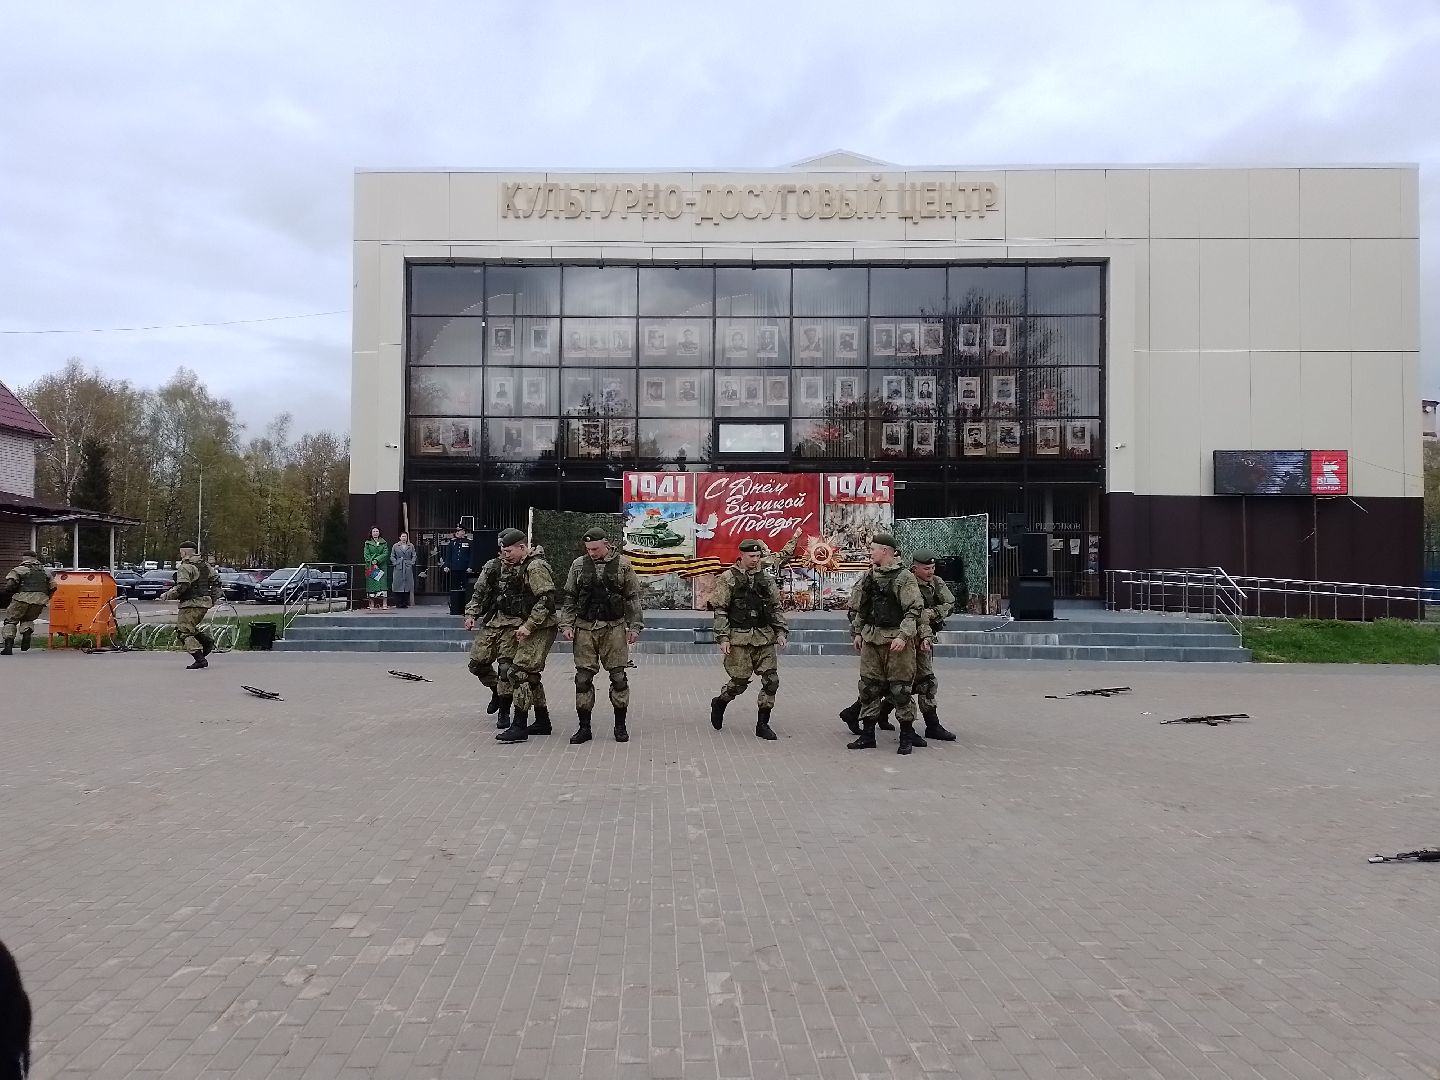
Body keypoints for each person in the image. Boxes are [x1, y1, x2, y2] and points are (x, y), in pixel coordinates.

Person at [840, 550, 957, 743]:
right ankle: (863, 714)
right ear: (914, 568)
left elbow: (949, 603)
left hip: (920, 637)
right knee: (894, 684)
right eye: (926, 568)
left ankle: (928, 725)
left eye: (933, 568)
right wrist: (859, 632)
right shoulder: (903, 581)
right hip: (902, 639)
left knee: (923, 682)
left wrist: (933, 615)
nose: (930, 572)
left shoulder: (936, 583)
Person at [464, 529, 559, 744]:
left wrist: (528, 626)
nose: (504, 555)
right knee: (528, 675)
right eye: (503, 551)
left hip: (538, 626)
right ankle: (542, 721)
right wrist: (471, 614)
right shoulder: (498, 566)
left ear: (522, 547)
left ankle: (519, 726)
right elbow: (480, 593)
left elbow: (546, 599)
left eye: (508, 551)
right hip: (525, 624)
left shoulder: (535, 567)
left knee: (518, 673)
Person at [558, 528, 643, 744]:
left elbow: (632, 598)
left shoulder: (623, 565)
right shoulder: (578, 565)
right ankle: (584, 727)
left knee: (618, 678)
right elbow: (570, 597)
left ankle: (620, 726)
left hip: (613, 628)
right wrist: (566, 624)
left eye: (595, 549)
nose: (592, 553)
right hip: (585, 628)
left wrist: (635, 626)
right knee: (583, 679)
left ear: (606, 544)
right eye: (588, 549)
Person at [845, 533, 926, 754]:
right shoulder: (869, 576)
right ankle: (867, 735)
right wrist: (857, 632)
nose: (870, 552)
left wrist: (903, 636)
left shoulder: (903, 577)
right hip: (872, 639)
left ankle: (906, 736)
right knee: (869, 687)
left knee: (900, 689)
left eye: (873, 549)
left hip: (896, 642)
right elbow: (861, 608)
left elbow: (914, 610)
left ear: (885, 551)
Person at [707, 539, 788, 741]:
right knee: (739, 682)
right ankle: (720, 702)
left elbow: (775, 607)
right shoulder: (728, 578)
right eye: (751, 556)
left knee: (771, 680)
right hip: (739, 639)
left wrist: (780, 631)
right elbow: (721, 610)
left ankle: (763, 724)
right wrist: (723, 637)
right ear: (741, 555)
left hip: (764, 637)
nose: (755, 560)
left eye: (758, 556)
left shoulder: (766, 579)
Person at [159, 541, 220, 669]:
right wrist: (213, 599)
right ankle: (206, 641)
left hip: (191, 603)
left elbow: (183, 585)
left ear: (184, 552)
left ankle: (200, 658)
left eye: (181, 552)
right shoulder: (205, 565)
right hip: (204, 602)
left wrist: (167, 595)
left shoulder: (185, 567)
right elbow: (216, 581)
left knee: (183, 631)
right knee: (188, 627)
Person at [0, 549, 56, 656]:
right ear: (35, 558)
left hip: (21, 599)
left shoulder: (19, 570)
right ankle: (27, 633)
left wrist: (11, 591)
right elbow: (53, 586)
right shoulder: (45, 571)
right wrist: (46, 598)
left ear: (24, 558)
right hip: (39, 600)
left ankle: (8, 647)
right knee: (28, 619)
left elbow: (10, 585)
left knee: (11, 621)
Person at [363, 527, 390, 610]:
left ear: (379, 532)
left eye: (377, 531)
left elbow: (385, 553)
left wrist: (377, 560)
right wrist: (372, 562)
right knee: (371, 585)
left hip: (382, 565)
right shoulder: (367, 543)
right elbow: (366, 554)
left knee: (383, 584)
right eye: (374, 531)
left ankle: (384, 604)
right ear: (371, 533)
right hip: (370, 566)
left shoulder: (383, 542)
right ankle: (371, 604)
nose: (375, 533)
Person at [390, 532, 417, 609]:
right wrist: (395, 563)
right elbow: (392, 556)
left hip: (407, 566)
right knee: (398, 584)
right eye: (402, 536)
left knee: (407, 584)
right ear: (400, 537)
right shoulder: (395, 546)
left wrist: (411, 563)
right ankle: (398, 602)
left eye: (405, 536)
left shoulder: (411, 546)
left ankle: (405, 603)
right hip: (399, 566)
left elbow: (414, 555)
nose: (404, 538)